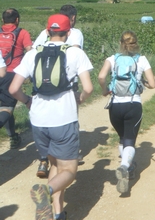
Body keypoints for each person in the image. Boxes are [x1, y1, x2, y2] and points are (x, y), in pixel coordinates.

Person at [9, 14, 93, 220]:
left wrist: (28, 101)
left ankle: (56, 214)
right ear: (68, 32)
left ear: (47, 32)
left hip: (38, 120)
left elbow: (13, 89)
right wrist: (79, 99)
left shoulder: (33, 54)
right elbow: (89, 88)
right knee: (69, 170)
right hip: (63, 119)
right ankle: (45, 191)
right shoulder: (75, 53)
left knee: (55, 164)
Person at [97, 30, 155, 194]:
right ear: (135, 43)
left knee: (122, 137)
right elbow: (153, 84)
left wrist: (105, 90)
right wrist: (143, 82)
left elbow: (101, 76)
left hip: (115, 105)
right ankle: (125, 167)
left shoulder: (112, 58)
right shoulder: (142, 60)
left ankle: (127, 167)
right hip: (133, 104)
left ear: (120, 43)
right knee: (130, 138)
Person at [33, 5, 84, 179]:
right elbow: (76, 52)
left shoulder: (44, 33)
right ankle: (71, 154)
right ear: (73, 17)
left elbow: (33, 52)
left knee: (45, 122)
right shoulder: (75, 33)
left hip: (40, 89)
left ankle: (43, 160)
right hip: (66, 85)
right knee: (69, 119)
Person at [0, 8, 32, 150]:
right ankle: (12, 138)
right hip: (13, 74)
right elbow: (30, 51)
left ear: (2, 20)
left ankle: (13, 136)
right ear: (17, 20)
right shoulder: (22, 33)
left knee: (4, 108)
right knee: (7, 108)